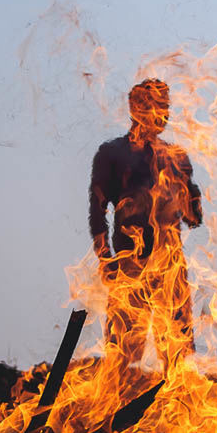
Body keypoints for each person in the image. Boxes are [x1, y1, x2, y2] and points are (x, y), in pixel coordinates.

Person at [88, 79, 202, 372]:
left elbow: (193, 219)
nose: (162, 114)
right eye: (154, 106)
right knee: (123, 352)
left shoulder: (176, 156)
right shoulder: (112, 154)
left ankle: (177, 408)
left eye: (165, 107)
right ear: (136, 109)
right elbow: (98, 210)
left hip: (171, 266)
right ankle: (116, 406)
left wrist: (192, 196)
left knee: (178, 351)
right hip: (130, 265)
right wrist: (105, 260)